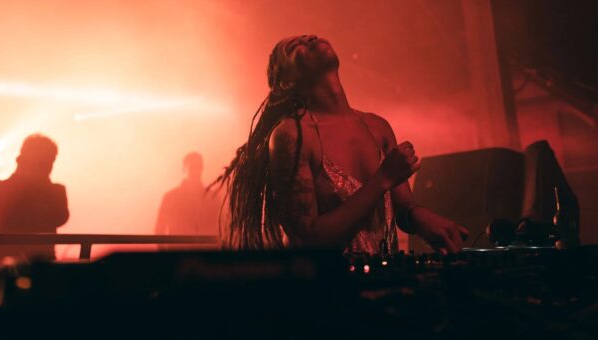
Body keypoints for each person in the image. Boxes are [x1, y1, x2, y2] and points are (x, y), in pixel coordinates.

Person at [214, 35, 468, 253]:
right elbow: (307, 238)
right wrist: (382, 179)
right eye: (295, 47)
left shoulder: (377, 126)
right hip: (325, 290)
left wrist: (425, 220)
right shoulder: (292, 135)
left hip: (386, 286)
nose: (309, 38)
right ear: (286, 82)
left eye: (309, 36)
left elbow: (404, 209)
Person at [0, 134, 69, 273]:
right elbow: (60, 217)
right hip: (39, 268)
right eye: (47, 160)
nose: (48, 165)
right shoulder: (56, 192)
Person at [155, 152, 219, 236]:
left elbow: (219, 227)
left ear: (202, 168)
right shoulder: (170, 198)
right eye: (192, 167)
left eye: (198, 166)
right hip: (179, 244)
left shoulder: (212, 197)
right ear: (184, 169)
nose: (196, 171)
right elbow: (159, 230)